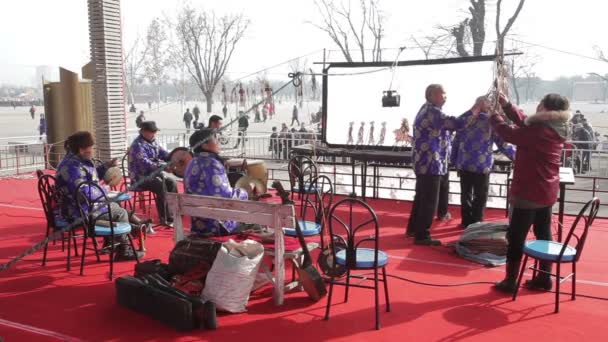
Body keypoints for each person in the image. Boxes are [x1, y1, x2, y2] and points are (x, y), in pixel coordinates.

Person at [491, 93, 570, 293]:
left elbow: (511, 134)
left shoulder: (540, 130)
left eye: (540, 103)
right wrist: (507, 105)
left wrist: (494, 116)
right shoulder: (555, 127)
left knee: (516, 237)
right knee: (543, 233)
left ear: (545, 108)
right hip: (547, 191)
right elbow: (525, 122)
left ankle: (510, 281)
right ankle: (544, 277)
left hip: (529, 191)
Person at [55, 131, 142, 260]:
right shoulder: (72, 166)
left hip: (78, 206)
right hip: (77, 211)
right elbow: (82, 192)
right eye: (90, 147)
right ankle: (123, 250)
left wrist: (106, 167)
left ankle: (111, 243)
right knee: (120, 212)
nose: (92, 150)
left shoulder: (76, 161)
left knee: (114, 206)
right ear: (82, 149)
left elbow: (91, 177)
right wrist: (105, 190)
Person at [406, 84, 464, 246]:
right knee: (429, 200)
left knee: (421, 197)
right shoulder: (432, 112)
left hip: (425, 161)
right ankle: (422, 235)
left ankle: (413, 229)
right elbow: (454, 123)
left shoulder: (425, 109)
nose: (445, 96)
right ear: (431, 96)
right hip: (430, 161)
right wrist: (473, 110)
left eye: (445, 94)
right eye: (442, 94)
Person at [452, 96, 516, 229]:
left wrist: (454, 160)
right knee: (480, 195)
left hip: (464, 163)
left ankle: (465, 221)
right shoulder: (491, 122)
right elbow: (502, 144)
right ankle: (476, 222)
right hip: (482, 165)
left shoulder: (465, 119)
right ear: (488, 106)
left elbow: (456, 142)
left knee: (466, 194)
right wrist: (517, 156)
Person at [184, 129, 255, 236]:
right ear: (205, 145)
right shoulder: (212, 164)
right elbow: (226, 196)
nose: (218, 142)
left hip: (198, 223)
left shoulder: (192, 162)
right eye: (215, 139)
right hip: (216, 225)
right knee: (256, 221)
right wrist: (245, 191)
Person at [128, 121, 178, 226]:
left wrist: (174, 157)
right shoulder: (137, 145)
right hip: (139, 177)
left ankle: (174, 213)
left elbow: (163, 153)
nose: (154, 134)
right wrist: (163, 167)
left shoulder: (153, 142)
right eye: (152, 132)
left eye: (155, 132)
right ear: (144, 132)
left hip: (153, 174)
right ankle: (165, 218)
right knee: (160, 185)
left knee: (172, 182)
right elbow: (145, 163)